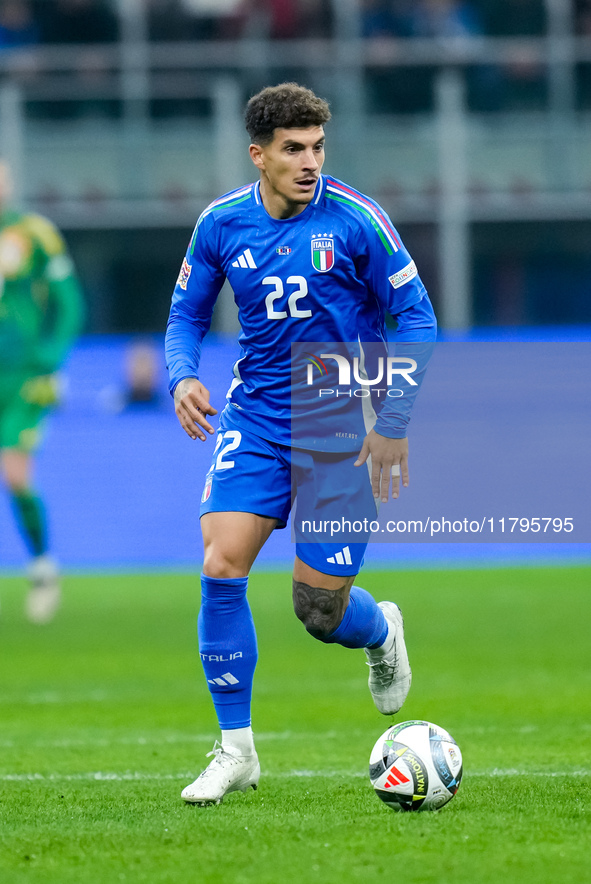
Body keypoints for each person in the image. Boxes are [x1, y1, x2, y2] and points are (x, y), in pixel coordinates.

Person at [165, 82, 437, 805]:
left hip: (338, 429)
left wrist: (394, 422)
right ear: (258, 155)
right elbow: (185, 313)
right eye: (292, 149)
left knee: (317, 613)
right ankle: (235, 750)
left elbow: (416, 318)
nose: (309, 161)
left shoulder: (356, 222)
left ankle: (378, 630)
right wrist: (182, 376)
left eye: (317, 146)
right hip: (254, 417)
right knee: (220, 564)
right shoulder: (221, 224)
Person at [0, 159, 84, 622]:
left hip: (23, 375)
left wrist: (52, 354)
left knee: (15, 473)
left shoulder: (34, 233)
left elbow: (68, 300)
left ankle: (42, 566)